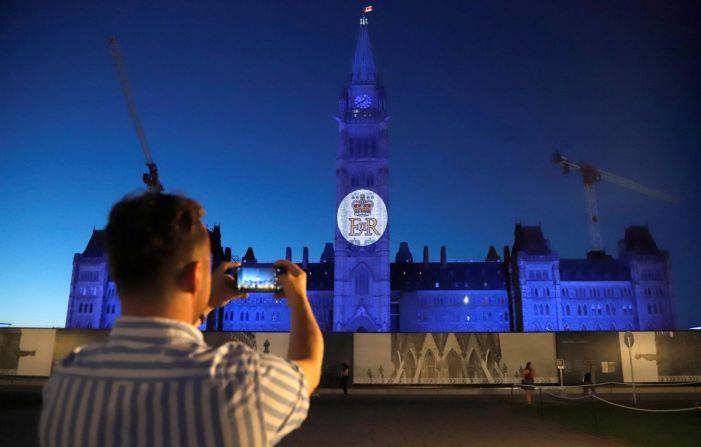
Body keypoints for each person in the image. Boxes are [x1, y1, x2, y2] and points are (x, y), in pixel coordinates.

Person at [39, 192, 324, 446]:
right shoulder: (240, 381)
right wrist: (298, 297)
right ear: (196, 276)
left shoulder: (65, 382)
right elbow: (309, 368)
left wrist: (204, 301)